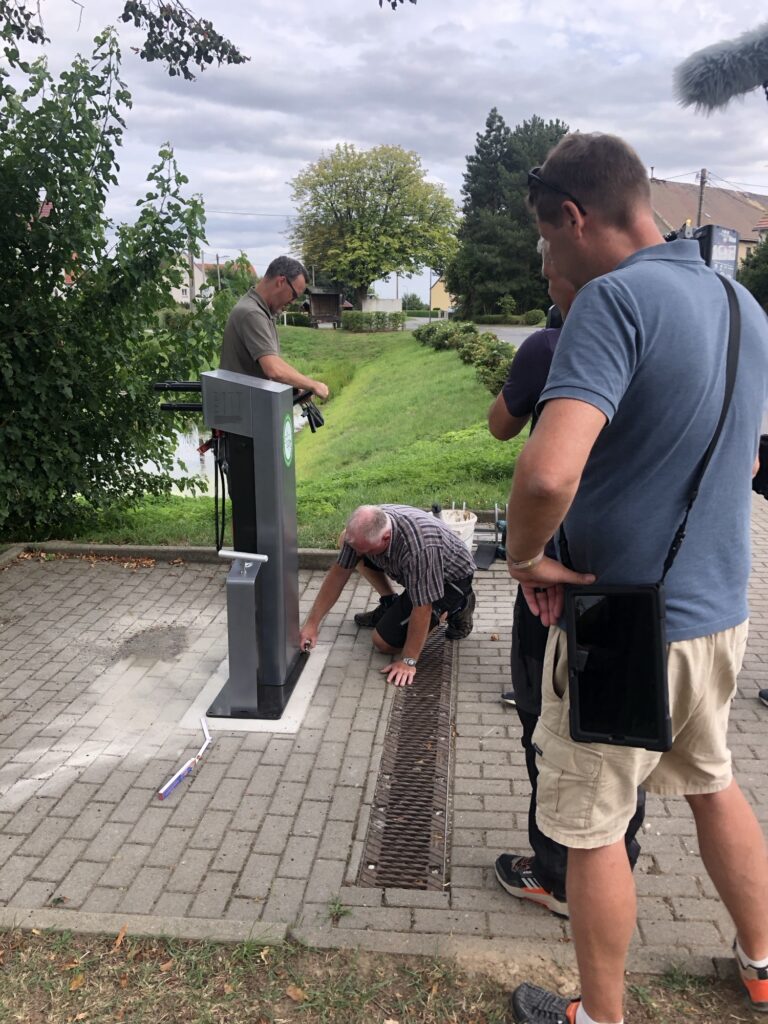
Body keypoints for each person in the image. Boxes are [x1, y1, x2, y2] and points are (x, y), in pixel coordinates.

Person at [504, 133, 768, 1024]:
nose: (549, 261)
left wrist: (526, 557)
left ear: (575, 218)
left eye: (547, 239)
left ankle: (600, 1017)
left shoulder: (613, 303)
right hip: (718, 614)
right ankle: (763, 965)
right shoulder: (740, 305)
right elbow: (738, 457)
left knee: (592, 828)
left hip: (622, 629)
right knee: (712, 783)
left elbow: (547, 472)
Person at [488, 241, 646, 921]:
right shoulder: (659, 331)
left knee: (543, 719)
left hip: (557, 570)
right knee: (622, 727)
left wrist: (523, 557)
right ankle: (616, 859)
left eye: (548, 263)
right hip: (637, 572)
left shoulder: (549, 346)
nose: (544, 275)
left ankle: (556, 875)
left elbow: (504, 430)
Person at [299, 504, 476, 687]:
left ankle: (459, 606)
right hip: (418, 573)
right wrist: (312, 624)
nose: (358, 554)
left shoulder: (419, 548)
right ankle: (389, 601)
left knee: (383, 643)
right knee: (346, 540)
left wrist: (408, 661)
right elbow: (338, 574)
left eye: (365, 550)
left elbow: (422, 607)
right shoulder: (370, 525)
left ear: (386, 538)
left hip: (450, 582)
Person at [219, 255, 328, 399]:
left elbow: (271, 365)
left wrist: (296, 387)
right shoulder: (252, 313)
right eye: (294, 295)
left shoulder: (262, 310)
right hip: (244, 408)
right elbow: (273, 369)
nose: (293, 301)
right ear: (281, 282)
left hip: (250, 404)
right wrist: (313, 385)